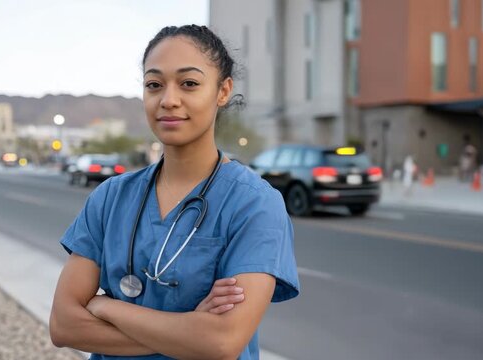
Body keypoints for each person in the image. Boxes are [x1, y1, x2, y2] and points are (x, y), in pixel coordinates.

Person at [49, 25, 299, 359]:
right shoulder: (110, 198)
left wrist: (106, 308)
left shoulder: (254, 204)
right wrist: (190, 329)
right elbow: (64, 326)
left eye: (189, 84)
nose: (168, 100)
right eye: (154, 84)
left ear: (223, 91)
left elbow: (222, 342)